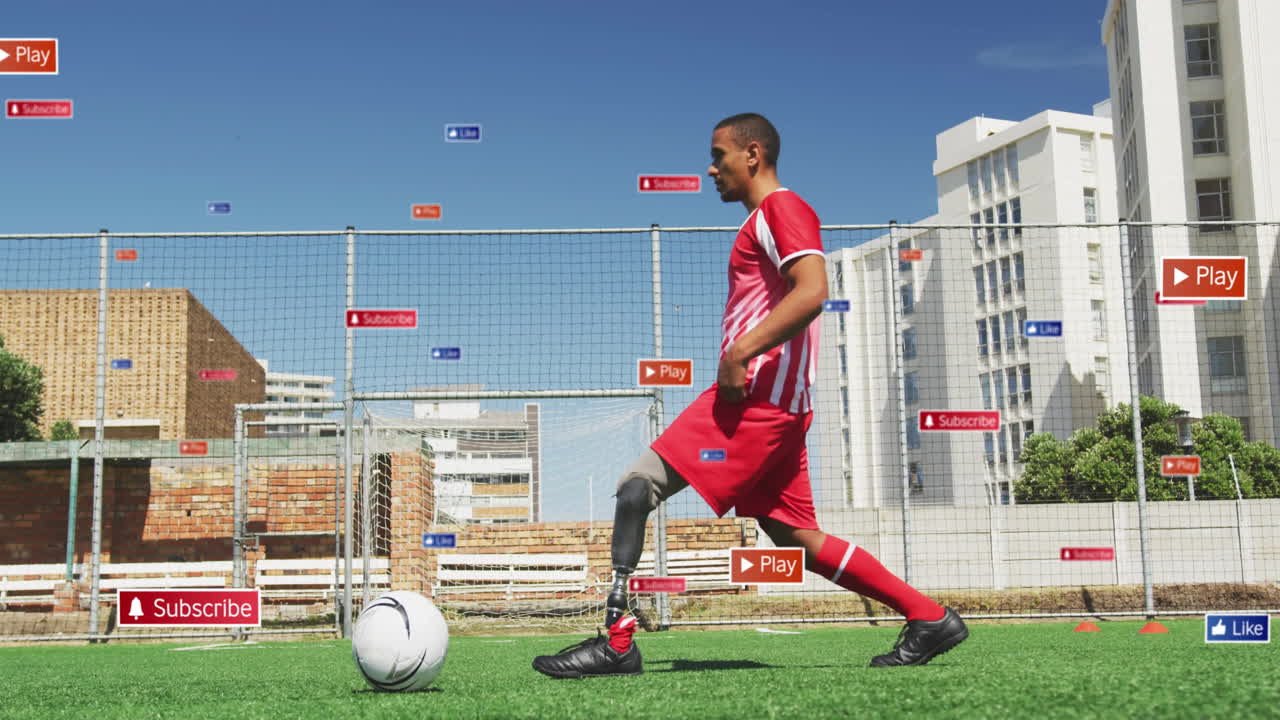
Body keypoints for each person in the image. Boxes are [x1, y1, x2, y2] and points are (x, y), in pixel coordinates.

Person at [532, 113, 968, 679]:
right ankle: (928, 616)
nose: (711, 169)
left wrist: (740, 353)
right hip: (781, 407)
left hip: (755, 403)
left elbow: (813, 291)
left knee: (635, 488)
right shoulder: (765, 220)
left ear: (753, 155)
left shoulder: (783, 209)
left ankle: (616, 643)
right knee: (794, 537)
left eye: (719, 156)